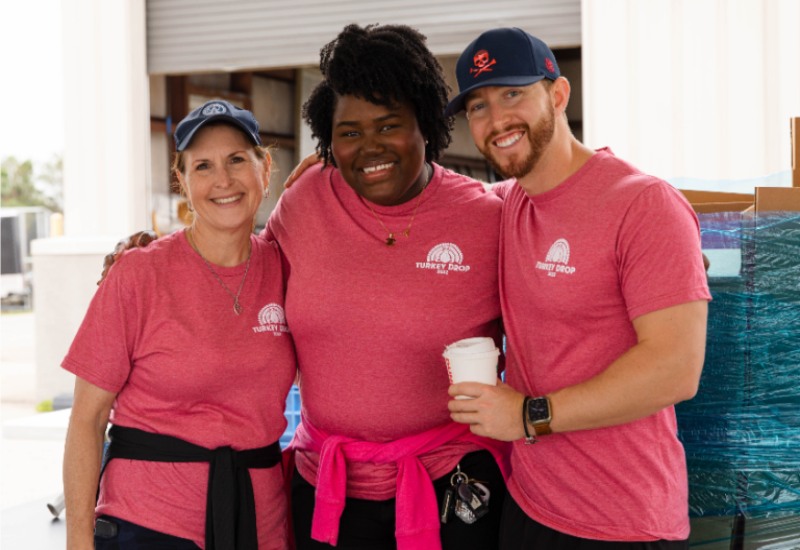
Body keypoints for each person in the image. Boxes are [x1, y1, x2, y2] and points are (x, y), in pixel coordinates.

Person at [445, 28, 712, 549]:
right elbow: (437, 192)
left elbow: (676, 368)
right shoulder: (507, 204)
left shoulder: (644, 205)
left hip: (622, 521)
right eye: (477, 106)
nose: (496, 120)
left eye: (512, 93)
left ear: (559, 94)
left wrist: (527, 415)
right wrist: (322, 174)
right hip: (529, 506)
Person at [268, 24, 509, 550]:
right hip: (326, 488)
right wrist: (152, 254)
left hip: (453, 487)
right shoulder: (306, 200)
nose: (369, 147)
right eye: (349, 132)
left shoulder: (487, 217)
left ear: (424, 122)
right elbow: (239, 273)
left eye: (388, 125)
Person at [62, 100, 296, 550]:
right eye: (202, 166)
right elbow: (87, 421)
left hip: (261, 524)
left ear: (266, 170)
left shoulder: (287, 267)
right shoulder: (138, 275)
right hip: (146, 523)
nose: (223, 180)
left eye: (236, 160)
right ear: (183, 183)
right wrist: (78, 541)